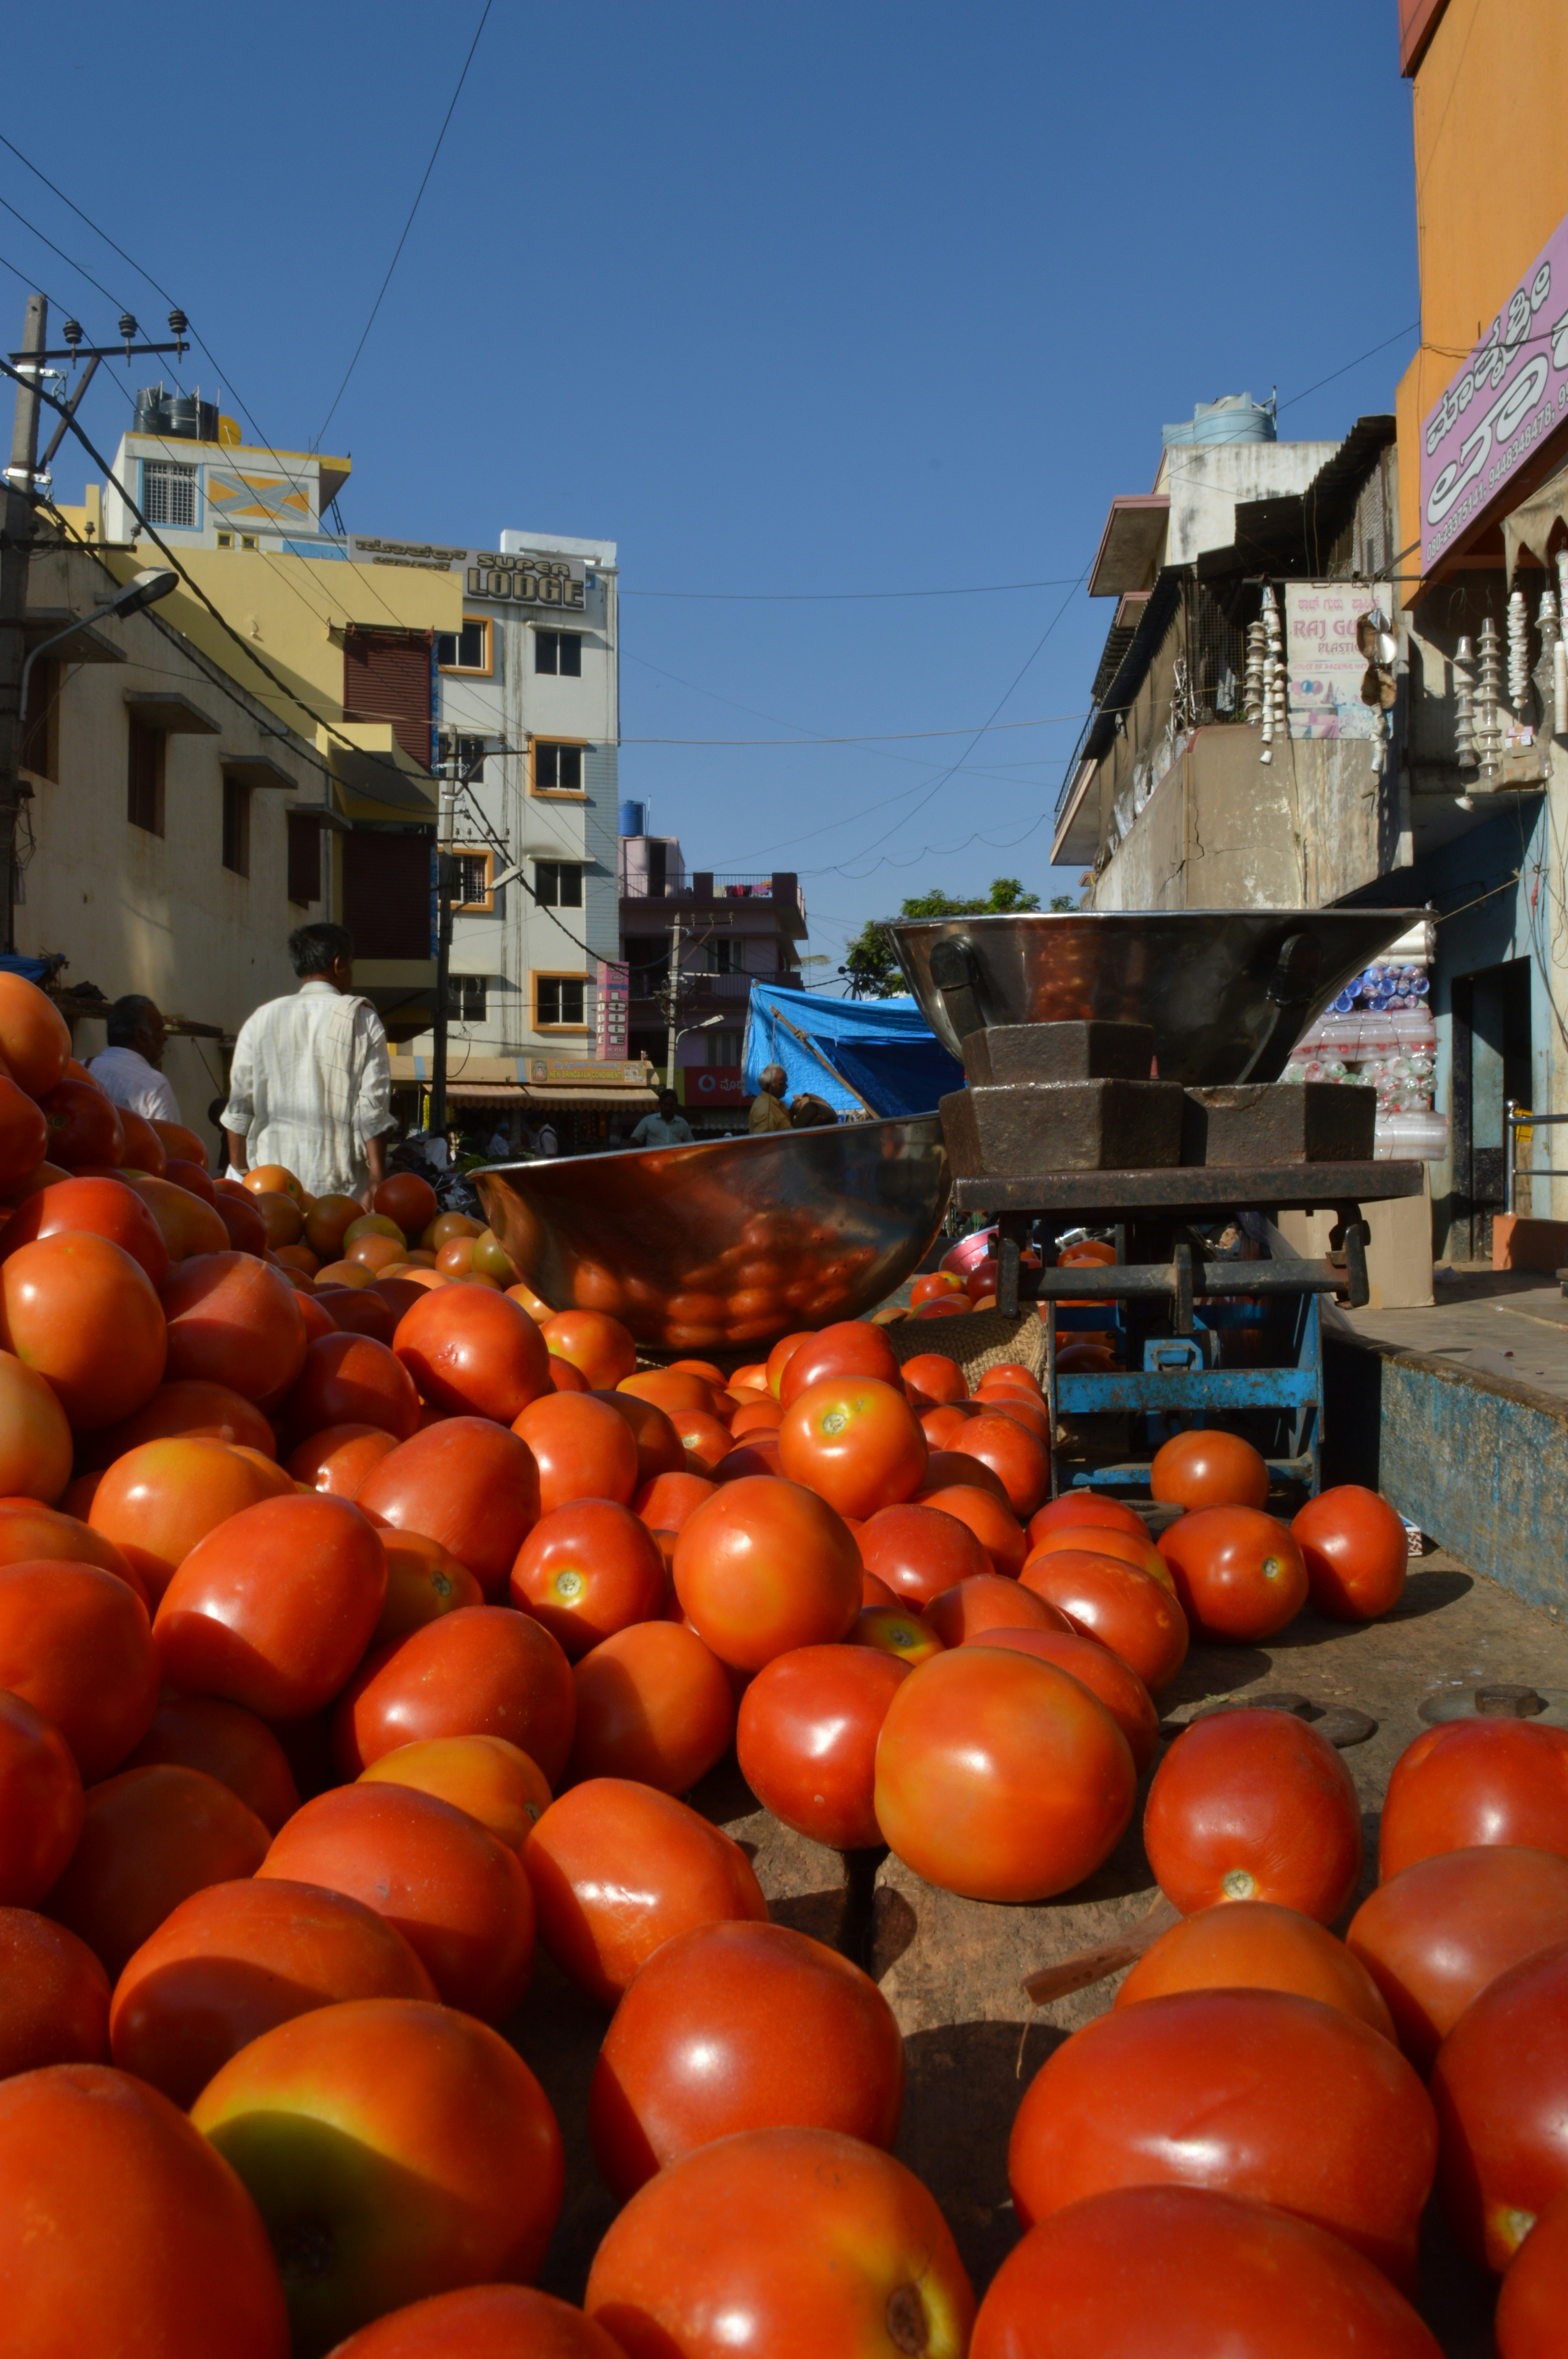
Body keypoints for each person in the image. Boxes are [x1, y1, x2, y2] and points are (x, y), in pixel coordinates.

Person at [221, 921, 396, 1208]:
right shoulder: (362, 1019)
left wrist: (242, 1175)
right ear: (339, 965)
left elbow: (240, 1108)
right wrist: (377, 1180)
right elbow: (372, 1109)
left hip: (271, 1187)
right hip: (341, 1191)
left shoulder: (260, 1019)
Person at [88, 995, 181, 1124]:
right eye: (159, 1030)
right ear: (141, 1037)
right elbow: (171, 1142)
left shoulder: (81, 1070)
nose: (165, 1037)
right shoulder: (154, 1085)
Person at [630, 1087, 694, 1148]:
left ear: (676, 1106)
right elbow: (635, 1140)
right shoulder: (648, 1121)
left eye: (671, 1105)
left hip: (675, 1159)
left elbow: (691, 1145)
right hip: (654, 1159)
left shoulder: (682, 1123)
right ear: (660, 1104)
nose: (668, 1108)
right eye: (666, 1105)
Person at [749, 1063, 793, 1134]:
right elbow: (763, 1143)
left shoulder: (775, 1104)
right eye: (781, 1084)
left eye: (786, 1082)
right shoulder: (766, 1110)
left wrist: (793, 1111)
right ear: (769, 1086)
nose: (786, 1087)